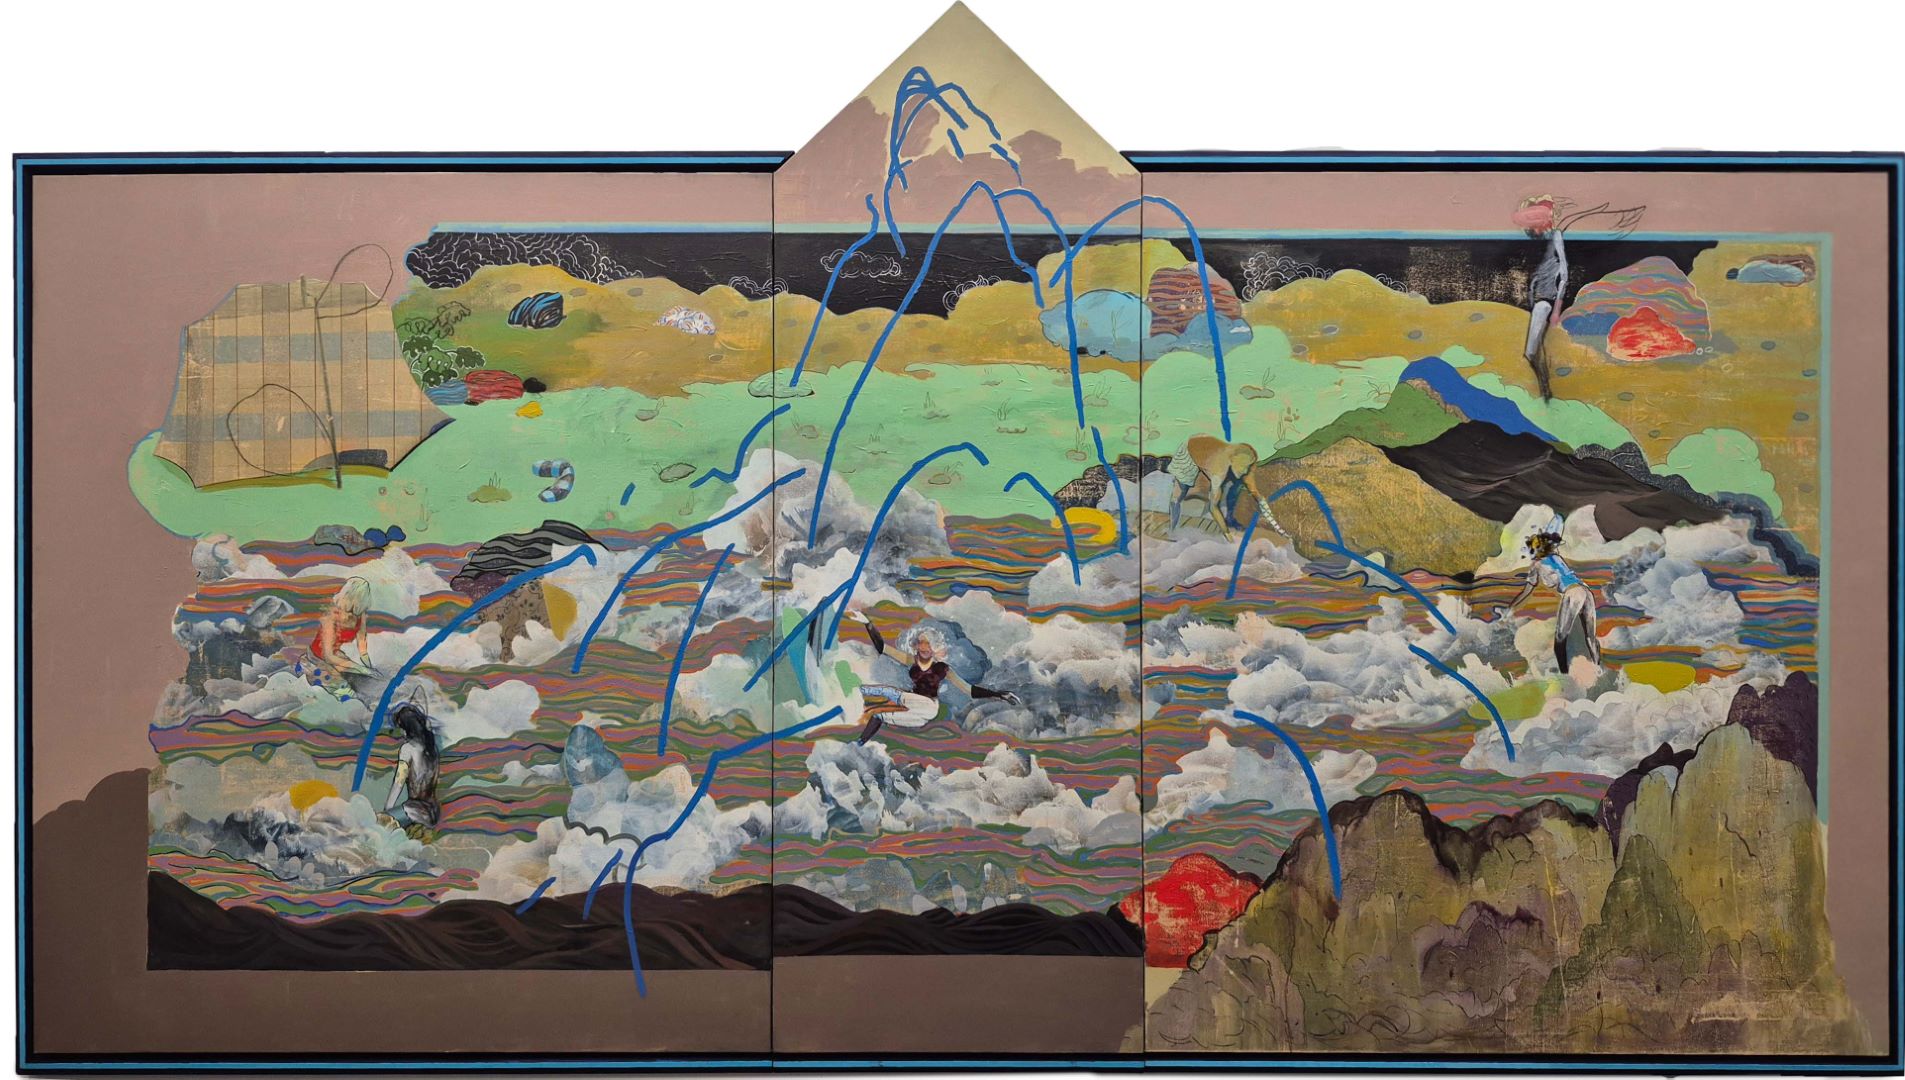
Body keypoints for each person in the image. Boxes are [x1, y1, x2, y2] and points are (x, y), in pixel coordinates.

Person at [1513, 195, 1647, 400]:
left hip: (1545, 301)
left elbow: (1564, 274)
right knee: (1537, 350)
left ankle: (1544, 386)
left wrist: (1556, 309)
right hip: (1538, 298)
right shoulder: (1537, 242)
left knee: (1530, 352)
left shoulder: (1555, 236)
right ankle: (1545, 388)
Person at [841, 611, 1020, 744]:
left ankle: (858, 690)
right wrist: (867, 623)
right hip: (916, 709)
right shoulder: (910, 660)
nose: (924, 647)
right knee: (879, 716)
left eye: (928, 644)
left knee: (890, 692)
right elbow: (882, 648)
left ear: (935, 647)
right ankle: (859, 743)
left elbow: (969, 690)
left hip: (929, 708)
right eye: (921, 643)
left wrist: (1000, 695)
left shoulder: (942, 668)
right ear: (916, 645)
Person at [1495, 530, 1602, 670]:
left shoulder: (1536, 565)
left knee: (1560, 639)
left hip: (1573, 593)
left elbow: (1526, 592)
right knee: (1590, 638)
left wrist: (1510, 607)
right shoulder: (1556, 557)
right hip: (1586, 591)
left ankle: (1565, 674)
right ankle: (1598, 668)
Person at [1167, 436, 1263, 538]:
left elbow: (1252, 488)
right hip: (1188, 452)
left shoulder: (1240, 456)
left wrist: (1261, 501)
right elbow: (1213, 507)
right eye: (1243, 466)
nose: (1245, 471)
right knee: (1178, 495)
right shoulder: (1219, 470)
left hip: (1206, 451)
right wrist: (1228, 535)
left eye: (1248, 466)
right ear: (1233, 459)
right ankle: (1173, 532)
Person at [382, 702, 441, 837]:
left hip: (416, 811)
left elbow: (398, 782)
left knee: (378, 825)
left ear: (407, 728)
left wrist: (387, 812)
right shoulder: (432, 748)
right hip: (434, 812)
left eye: (401, 728)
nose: (402, 733)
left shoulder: (407, 748)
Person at [311, 576, 373, 678]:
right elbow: (328, 656)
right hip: (317, 659)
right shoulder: (332, 617)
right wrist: (360, 668)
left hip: (337, 657)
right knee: (345, 687)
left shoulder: (360, 615)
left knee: (364, 679)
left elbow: (362, 646)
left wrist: (370, 669)